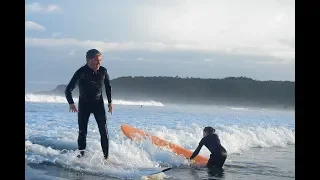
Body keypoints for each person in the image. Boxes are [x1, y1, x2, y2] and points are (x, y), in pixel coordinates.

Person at [64, 49, 113, 160]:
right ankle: (81, 158)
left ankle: (106, 159)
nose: (99, 63)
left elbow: (108, 88)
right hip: (84, 105)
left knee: (104, 132)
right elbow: (68, 90)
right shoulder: (81, 72)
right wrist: (71, 103)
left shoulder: (103, 71)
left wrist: (110, 102)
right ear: (89, 60)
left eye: (100, 60)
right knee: (82, 132)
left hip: (98, 104)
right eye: (96, 61)